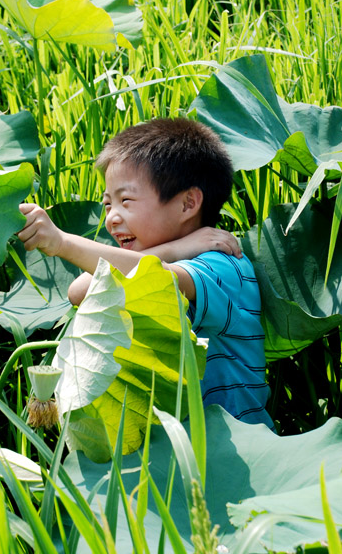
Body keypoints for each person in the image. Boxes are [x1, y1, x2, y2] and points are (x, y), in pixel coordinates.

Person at [18, 118, 274, 429]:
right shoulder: (172, 253)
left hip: (236, 452)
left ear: (188, 204)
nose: (112, 218)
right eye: (108, 204)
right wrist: (176, 247)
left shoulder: (224, 263)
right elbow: (79, 291)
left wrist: (62, 242)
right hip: (177, 453)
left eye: (126, 201)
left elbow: (161, 277)